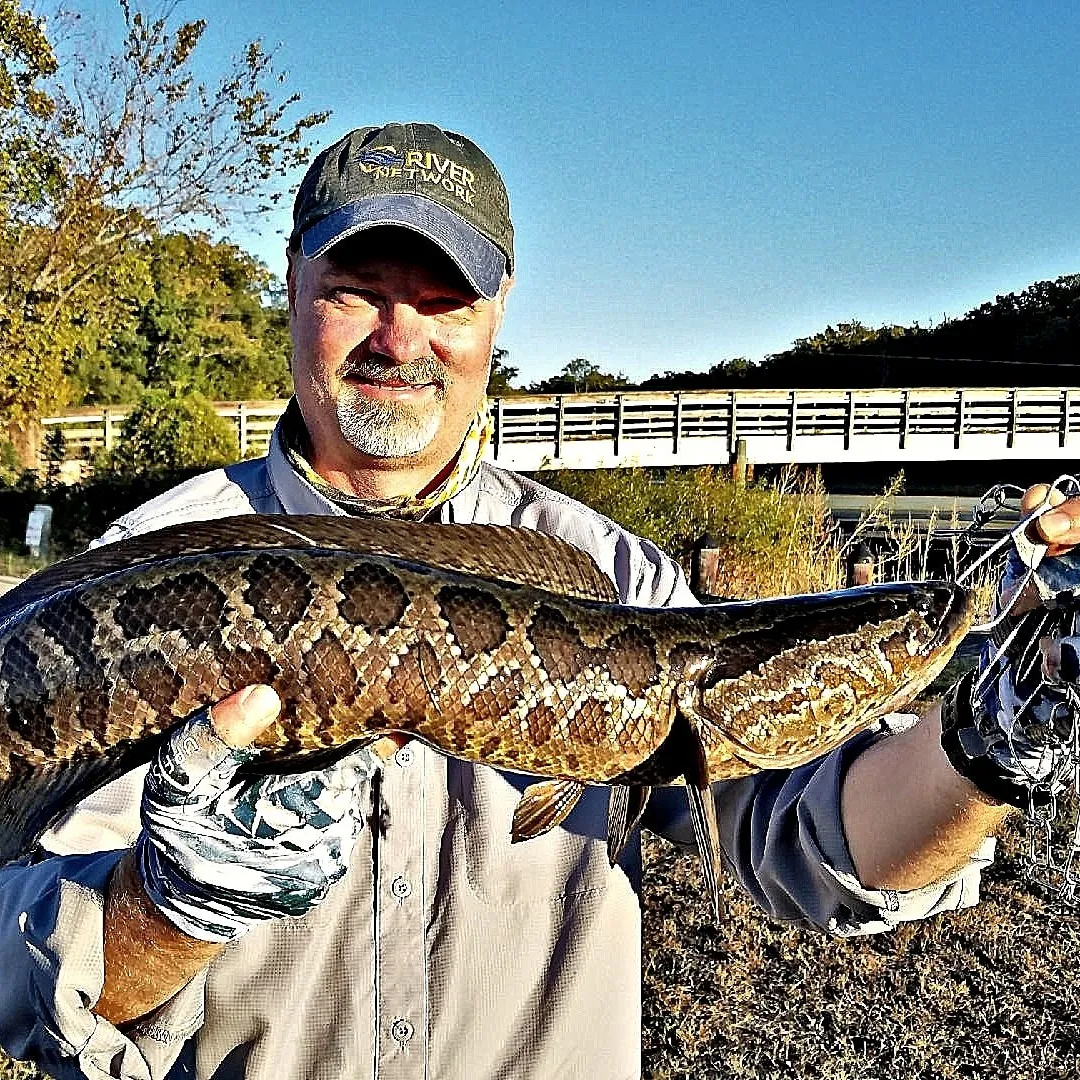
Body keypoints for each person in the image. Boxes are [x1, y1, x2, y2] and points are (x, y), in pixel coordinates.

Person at [0, 121, 1070, 1080]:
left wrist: (983, 747)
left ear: (496, 315)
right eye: (358, 287)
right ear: (291, 281)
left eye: (443, 301)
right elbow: (21, 980)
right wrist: (164, 907)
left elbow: (824, 842)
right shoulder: (145, 568)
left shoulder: (616, 577)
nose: (399, 336)